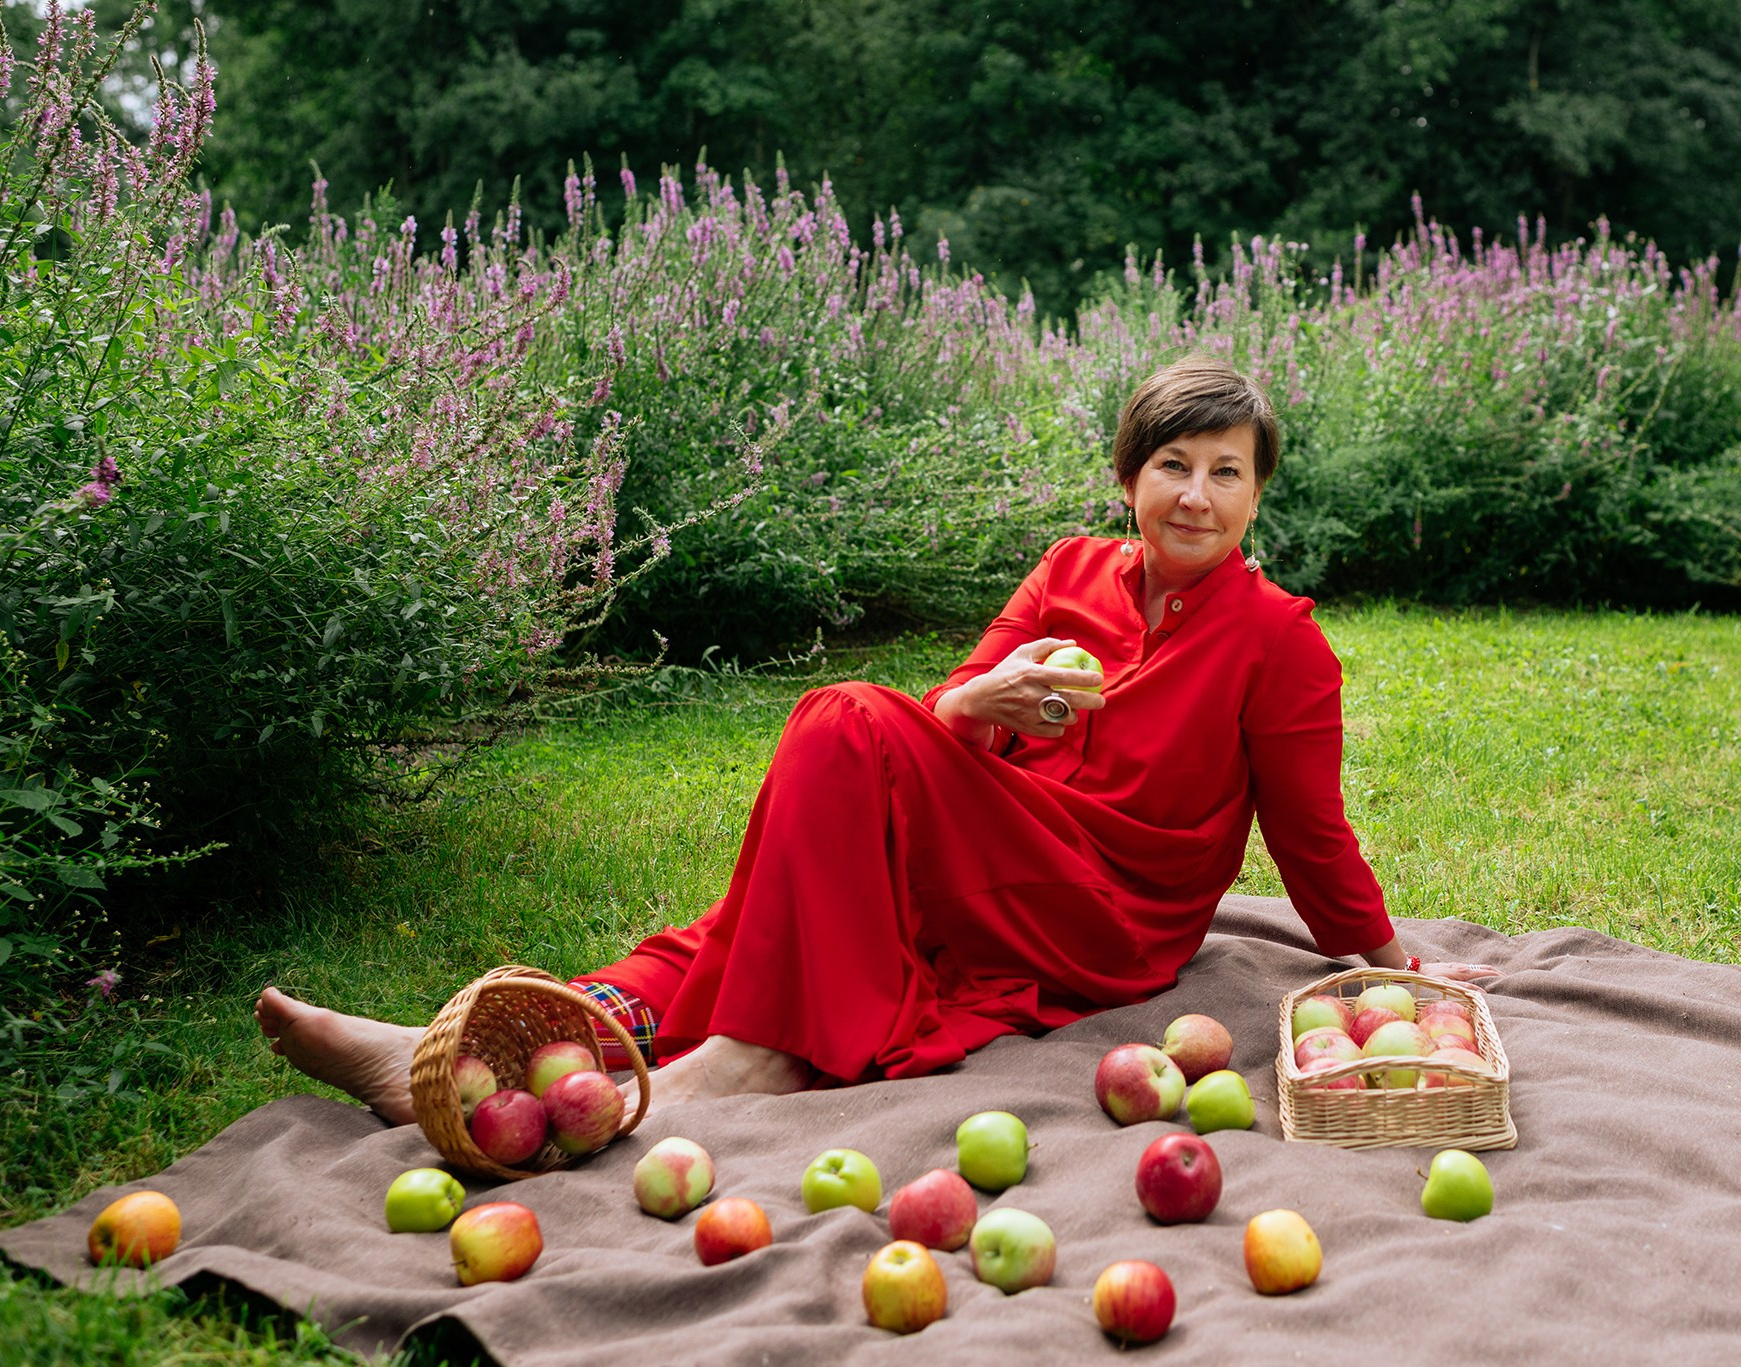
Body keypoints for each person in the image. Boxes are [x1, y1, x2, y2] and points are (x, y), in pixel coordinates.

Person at [255, 355, 1496, 1126]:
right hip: (994, 842)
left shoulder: (1278, 641)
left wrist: (1393, 963)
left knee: (843, 718)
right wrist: (979, 703)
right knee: (791, 878)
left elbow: (1310, 833)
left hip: (1105, 903)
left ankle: (757, 1054)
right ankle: (465, 1050)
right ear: (1128, 476)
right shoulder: (1066, 569)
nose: (1196, 495)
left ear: (1257, 493)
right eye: (1171, 463)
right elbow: (946, 709)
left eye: (1226, 471)